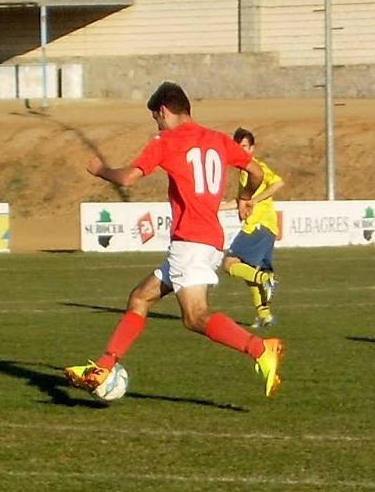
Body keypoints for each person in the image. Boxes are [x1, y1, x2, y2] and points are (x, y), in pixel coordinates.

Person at [64, 82, 285, 398]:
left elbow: (128, 178)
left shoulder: (166, 140)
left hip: (190, 242)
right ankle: (104, 366)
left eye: (156, 118)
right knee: (140, 298)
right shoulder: (217, 139)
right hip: (209, 241)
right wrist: (245, 197)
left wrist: (101, 170)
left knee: (195, 316)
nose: (157, 125)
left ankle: (260, 348)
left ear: (163, 111)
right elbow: (255, 171)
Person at [222, 127, 285, 328]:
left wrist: (254, 201)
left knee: (230, 264)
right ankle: (264, 315)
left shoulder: (255, 167)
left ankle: (265, 279)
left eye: (245, 147)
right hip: (267, 226)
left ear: (252, 148)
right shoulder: (244, 172)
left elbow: (278, 183)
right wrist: (219, 207)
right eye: (238, 147)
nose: (242, 151)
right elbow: (242, 201)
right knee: (248, 270)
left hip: (258, 224)